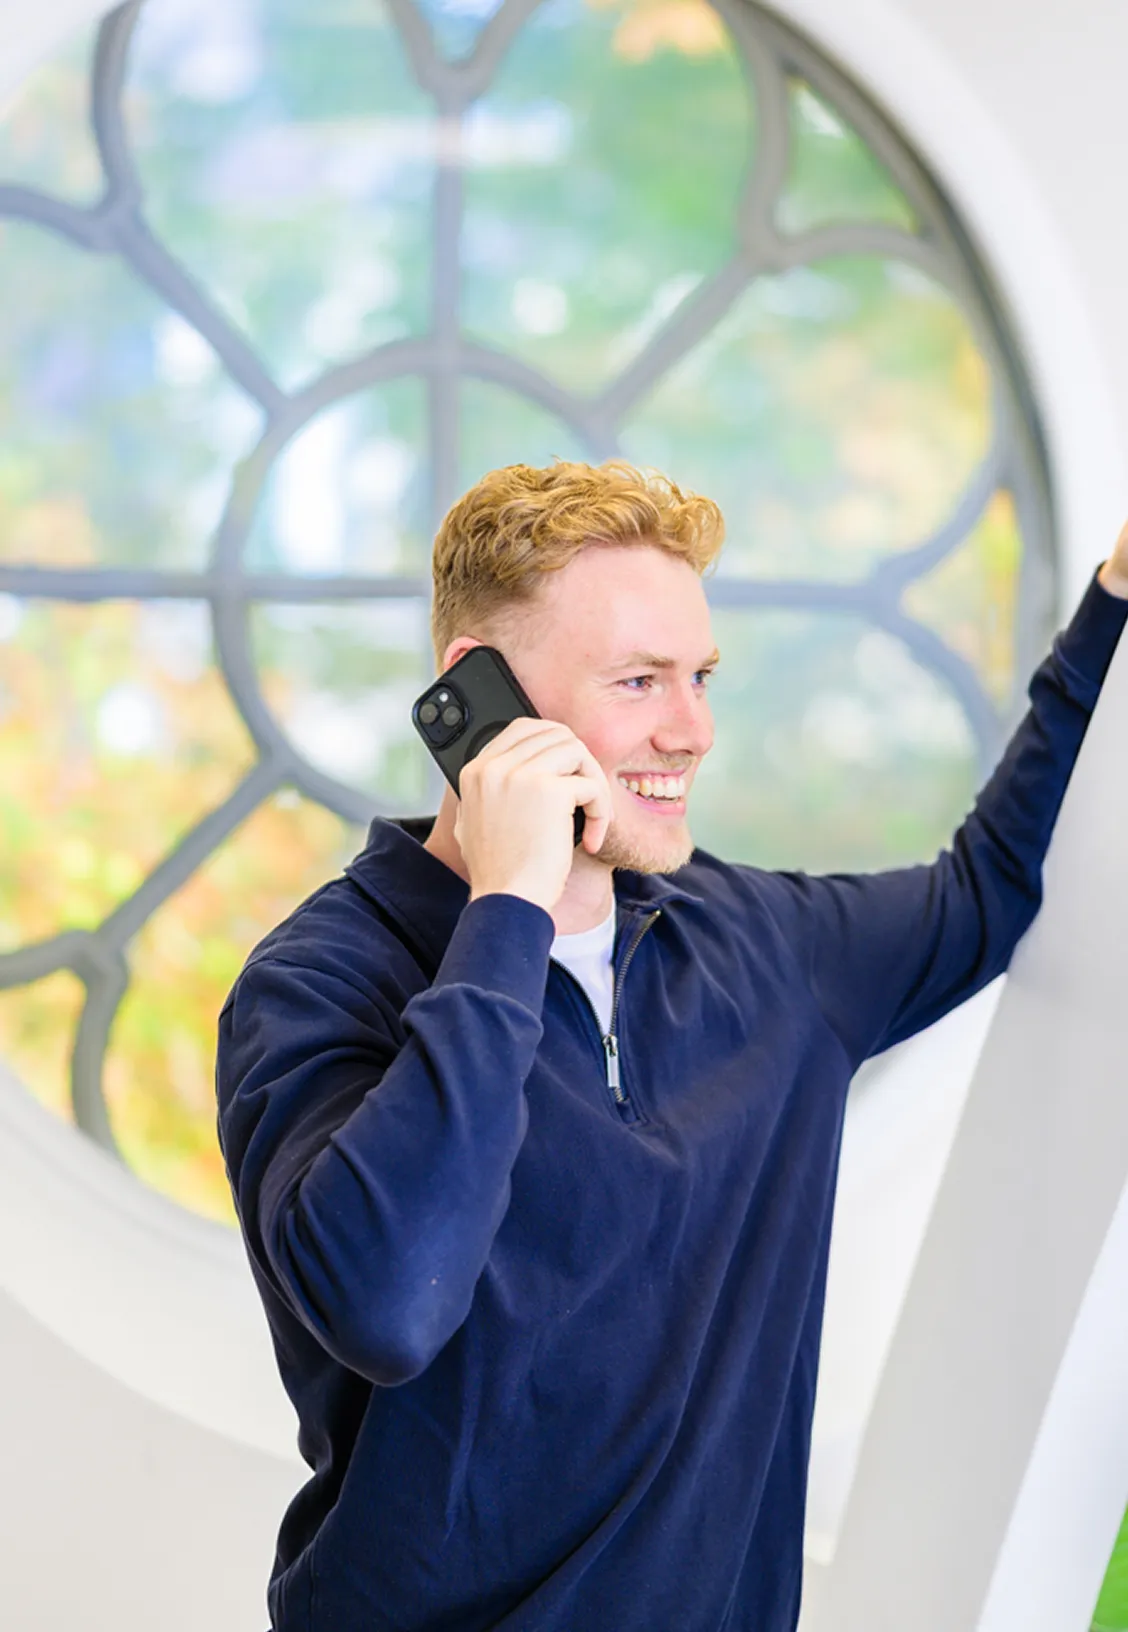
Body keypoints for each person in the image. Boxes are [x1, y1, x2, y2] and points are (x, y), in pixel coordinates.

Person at [215, 460, 1128, 1632]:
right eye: (639, 680)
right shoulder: (318, 984)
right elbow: (392, 1301)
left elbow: (988, 890)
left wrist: (1109, 595)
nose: (691, 730)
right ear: (479, 694)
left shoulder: (768, 950)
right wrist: (507, 915)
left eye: (699, 677)